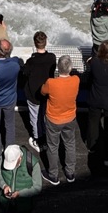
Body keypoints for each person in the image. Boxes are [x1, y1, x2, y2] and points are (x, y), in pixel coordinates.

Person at [39, 54, 80, 185]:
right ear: (70, 68)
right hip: (70, 117)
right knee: (70, 144)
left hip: (53, 119)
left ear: (58, 68)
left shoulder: (52, 83)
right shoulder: (76, 80)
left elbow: (42, 92)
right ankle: (70, 172)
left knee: (52, 146)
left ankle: (53, 174)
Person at [20, 31, 56, 152]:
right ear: (45, 43)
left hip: (33, 94)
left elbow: (25, 72)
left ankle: (37, 139)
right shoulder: (52, 57)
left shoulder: (31, 61)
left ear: (35, 43)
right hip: (47, 93)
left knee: (34, 118)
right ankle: (46, 137)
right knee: (45, 117)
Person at [0, 144, 42, 211]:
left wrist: (20, 194)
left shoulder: (33, 163)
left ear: (20, 158)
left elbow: (37, 188)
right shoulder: (4, 157)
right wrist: (4, 186)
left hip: (24, 205)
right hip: (6, 203)